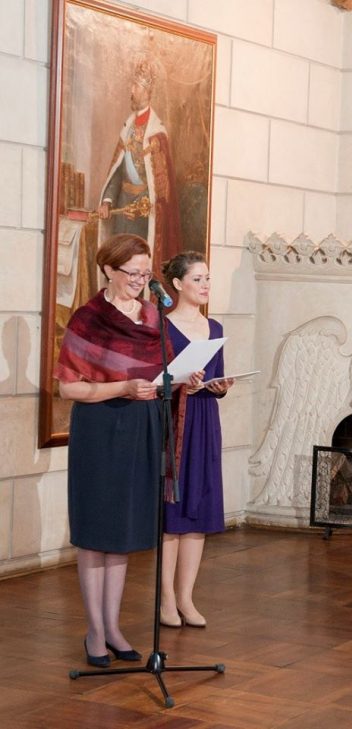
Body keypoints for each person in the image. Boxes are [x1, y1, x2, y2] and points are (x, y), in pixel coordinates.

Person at [55, 234, 166, 667]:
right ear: (108, 269)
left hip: (142, 426)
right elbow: (68, 388)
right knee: (96, 532)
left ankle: (114, 627)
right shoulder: (88, 319)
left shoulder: (153, 315)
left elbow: (162, 373)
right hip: (100, 429)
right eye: (132, 273)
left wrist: (188, 380)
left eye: (145, 273)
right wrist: (123, 387)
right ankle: (95, 632)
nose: (140, 280)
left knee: (121, 532)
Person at [159, 251, 232, 628]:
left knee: (198, 509)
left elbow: (216, 377)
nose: (205, 286)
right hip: (175, 424)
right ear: (177, 284)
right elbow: (154, 381)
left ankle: (187, 598)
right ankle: (166, 600)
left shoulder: (214, 328)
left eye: (208, 279)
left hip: (204, 420)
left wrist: (219, 386)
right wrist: (178, 382)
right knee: (172, 512)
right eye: (197, 279)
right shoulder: (161, 327)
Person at [98, 58, 181, 282]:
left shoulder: (157, 133)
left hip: (143, 216)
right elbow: (117, 172)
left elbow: (161, 192)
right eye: (132, 86)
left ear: (146, 91)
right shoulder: (128, 128)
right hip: (121, 211)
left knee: (136, 270)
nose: (131, 91)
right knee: (117, 267)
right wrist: (107, 200)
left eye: (135, 86)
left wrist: (144, 207)